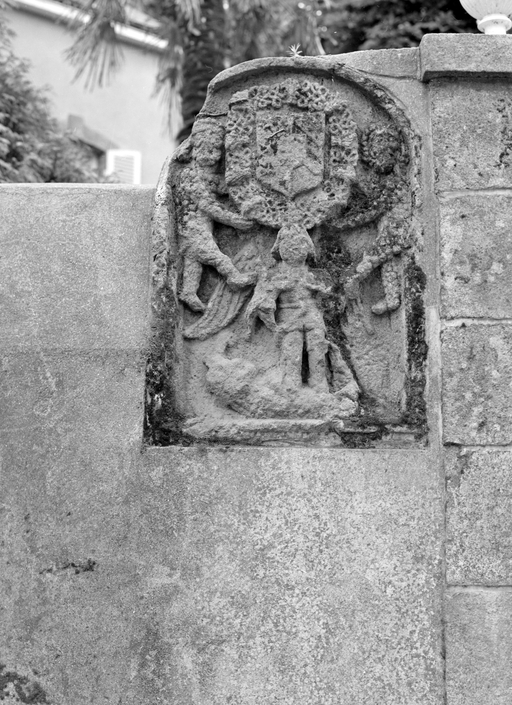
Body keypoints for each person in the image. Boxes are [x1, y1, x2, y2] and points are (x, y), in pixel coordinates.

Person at [176, 118, 255, 312]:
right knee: (217, 258)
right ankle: (234, 277)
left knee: (194, 261)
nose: (212, 156)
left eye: (215, 150)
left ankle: (188, 293)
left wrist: (242, 181)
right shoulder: (188, 175)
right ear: (194, 149)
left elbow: (227, 187)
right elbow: (208, 206)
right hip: (192, 229)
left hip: (198, 230)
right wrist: (235, 221)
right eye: (206, 149)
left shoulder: (210, 177)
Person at [245, 223, 331, 392]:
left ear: (307, 248)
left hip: (313, 315)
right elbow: (265, 302)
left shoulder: (317, 274)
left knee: (317, 346)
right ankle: (291, 382)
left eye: (299, 244)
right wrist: (275, 292)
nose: (294, 248)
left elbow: (331, 300)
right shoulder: (275, 276)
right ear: (280, 249)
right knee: (292, 348)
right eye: (289, 244)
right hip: (289, 315)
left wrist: (320, 291)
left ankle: (319, 382)